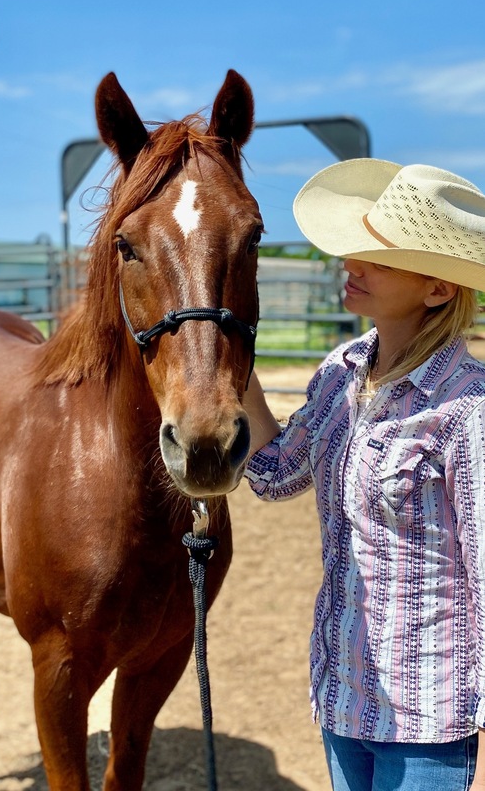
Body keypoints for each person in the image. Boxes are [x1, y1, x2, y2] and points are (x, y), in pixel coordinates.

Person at [243, 158, 485, 791]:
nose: (351, 263)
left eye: (379, 256)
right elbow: (274, 473)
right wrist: (226, 363)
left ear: (437, 289)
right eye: (356, 248)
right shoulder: (340, 371)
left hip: (432, 715)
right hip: (344, 696)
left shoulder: (469, 408)